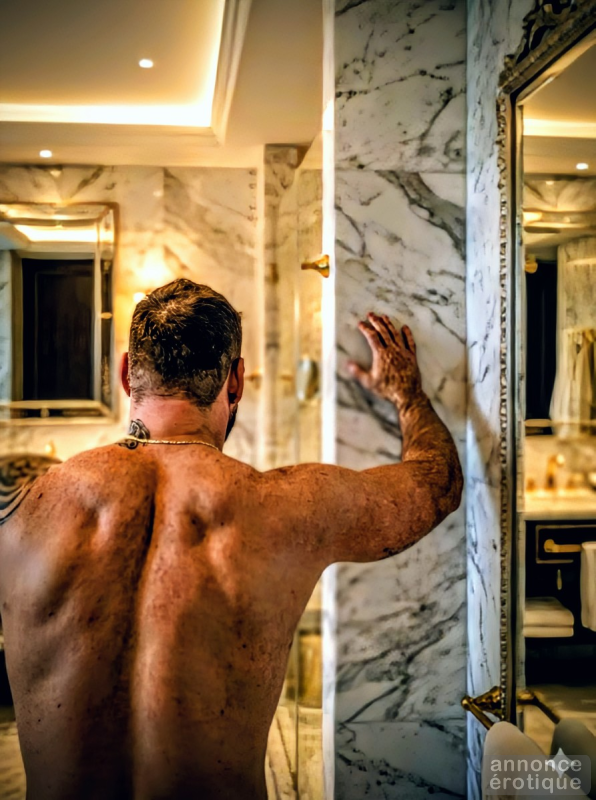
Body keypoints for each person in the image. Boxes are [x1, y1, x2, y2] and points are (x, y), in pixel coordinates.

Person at [0, 279, 463, 800]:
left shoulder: (21, 511)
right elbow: (438, 484)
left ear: (127, 374)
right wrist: (407, 394)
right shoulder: (284, 507)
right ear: (236, 381)